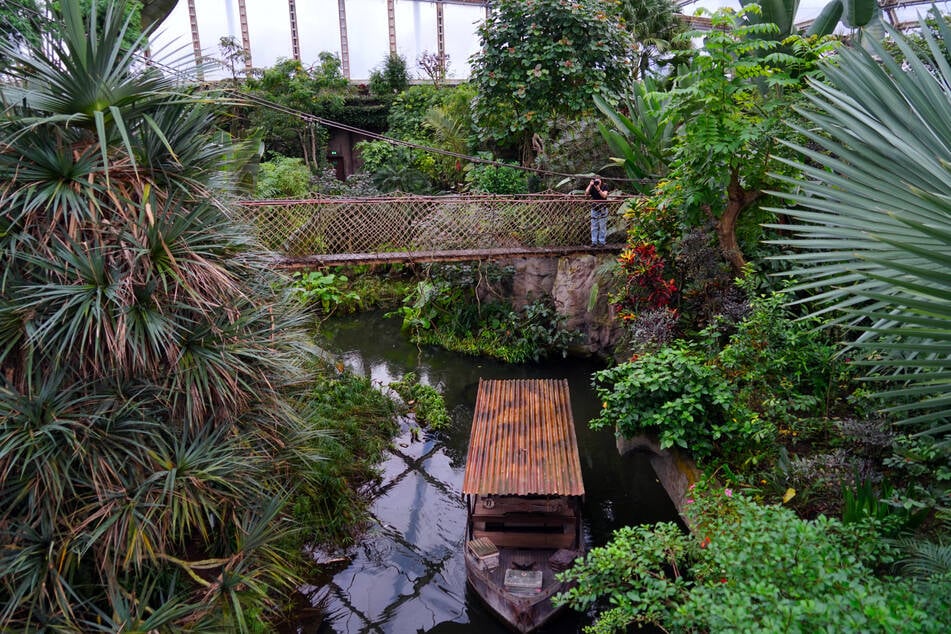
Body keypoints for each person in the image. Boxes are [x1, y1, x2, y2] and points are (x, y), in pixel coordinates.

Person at [586, 177, 609, 246]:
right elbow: (586, 193)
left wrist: (598, 189)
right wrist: (590, 185)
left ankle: (602, 242)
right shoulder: (592, 186)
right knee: (594, 226)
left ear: (601, 180)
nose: (597, 182)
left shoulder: (605, 186)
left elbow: (604, 196)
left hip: (603, 208)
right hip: (594, 208)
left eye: (598, 180)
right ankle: (594, 242)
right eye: (595, 180)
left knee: (602, 226)